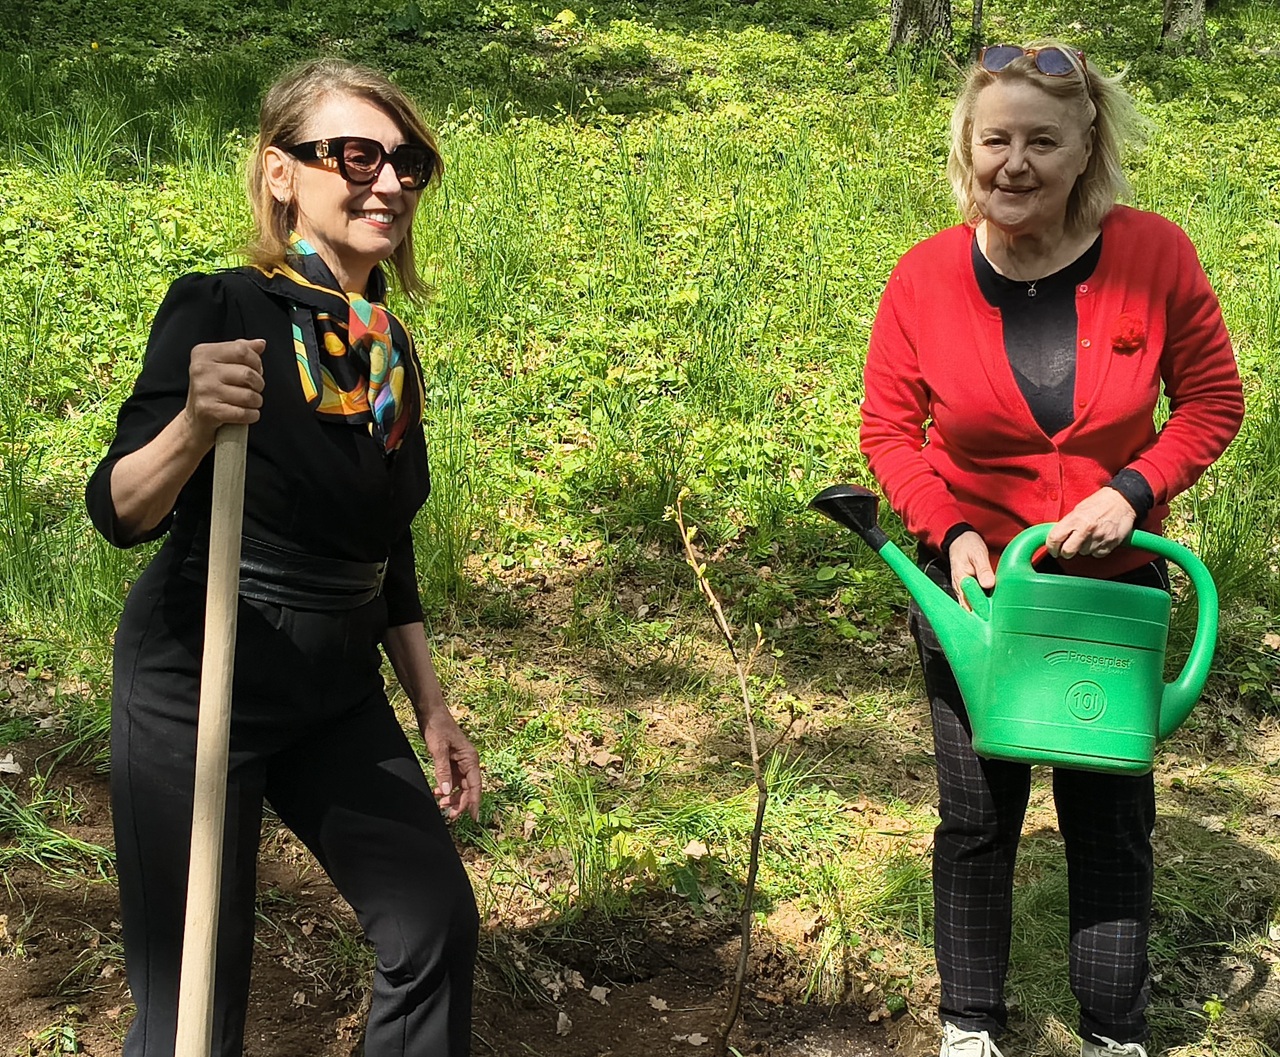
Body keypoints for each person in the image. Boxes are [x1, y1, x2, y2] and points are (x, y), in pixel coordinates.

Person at [85, 59, 480, 1057]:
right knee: (191, 1007)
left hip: (335, 689)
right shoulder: (221, 309)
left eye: (407, 161)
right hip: (203, 672)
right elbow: (119, 508)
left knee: (431, 920)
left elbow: (382, 541)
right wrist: (189, 425)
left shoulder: (385, 347)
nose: (386, 180)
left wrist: (430, 704)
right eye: (353, 155)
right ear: (278, 173)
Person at [859, 42, 1244, 1057]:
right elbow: (889, 432)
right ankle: (969, 1025)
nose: (1014, 164)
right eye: (995, 140)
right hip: (978, 600)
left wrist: (1134, 490)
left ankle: (1113, 1033)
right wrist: (945, 534)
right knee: (975, 820)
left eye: (1042, 140)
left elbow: (1210, 401)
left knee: (1108, 822)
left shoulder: (1153, 255)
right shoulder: (923, 277)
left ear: (1086, 150)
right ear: (965, 149)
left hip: (1107, 599)